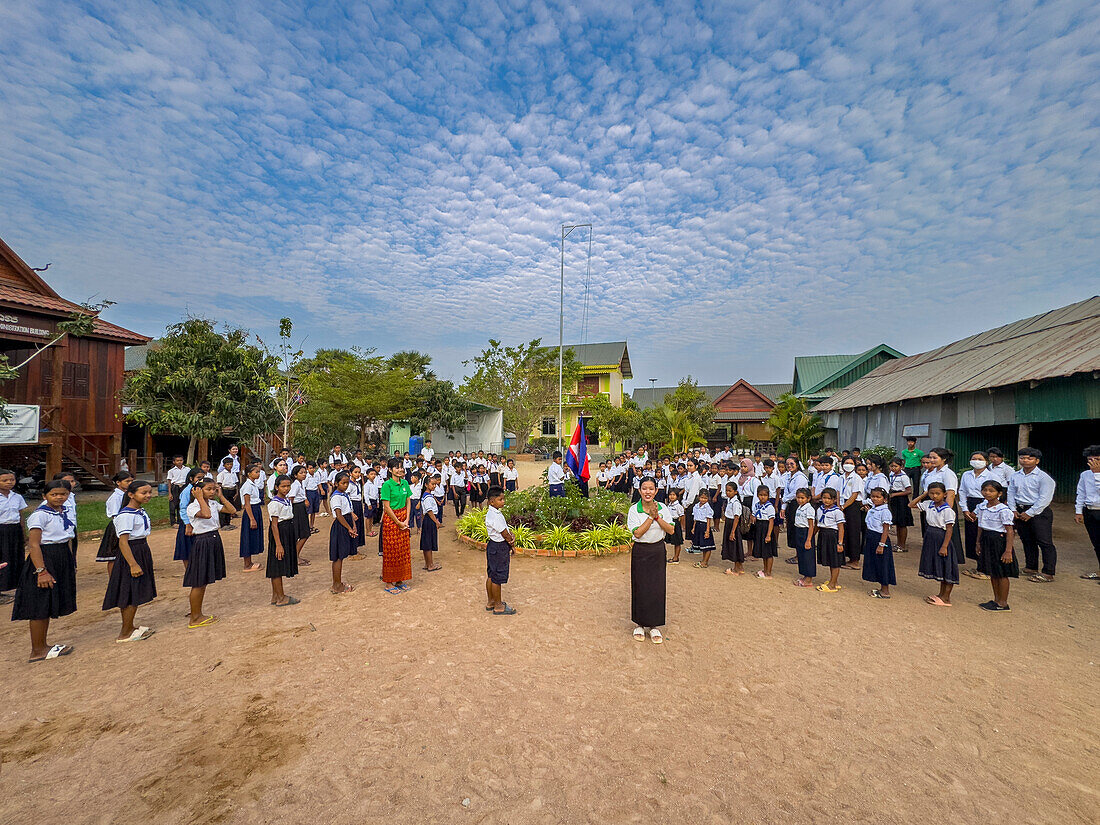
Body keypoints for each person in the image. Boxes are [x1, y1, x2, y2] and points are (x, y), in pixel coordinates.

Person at [12, 480, 78, 661]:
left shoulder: (62, 512)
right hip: (45, 558)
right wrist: (41, 571)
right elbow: (33, 544)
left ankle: (43, 645)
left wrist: (70, 562)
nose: (59, 497)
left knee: (48, 602)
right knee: (40, 603)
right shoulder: (40, 515)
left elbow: (67, 538)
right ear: (44, 496)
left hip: (60, 556)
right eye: (54, 494)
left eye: (63, 494)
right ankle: (38, 649)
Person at [101, 480, 157, 642]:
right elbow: (123, 541)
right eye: (143, 493)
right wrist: (133, 564)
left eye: (149, 492)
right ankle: (125, 632)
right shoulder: (125, 515)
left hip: (141, 549)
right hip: (131, 553)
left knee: (136, 590)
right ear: (131, 495)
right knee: (130, 591)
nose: (148, 495)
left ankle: (130, 626)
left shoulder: (139, 511)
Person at [627, 477, 674, 643]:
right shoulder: (634, 510)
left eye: (651, 488)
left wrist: (657, 517)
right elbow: (637, 533)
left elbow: (671, 530)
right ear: (639, 491)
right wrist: (650, 518)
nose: (648, 492)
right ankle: (639, 624)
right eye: (644, 488)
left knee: (657, 587)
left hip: (657, 550)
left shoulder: (663, 508)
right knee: (640, 586)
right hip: (641, 551)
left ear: (656, 491)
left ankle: (654, 625)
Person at [184, 478, 236, 628]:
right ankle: (194, 617)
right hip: (202, 541)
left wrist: (221, 496)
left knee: (204, 580)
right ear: (198, 491)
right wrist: (199, 498)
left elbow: (232, 510)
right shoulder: (193, 507)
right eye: (208, 489)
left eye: (214, 489)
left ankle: (198, 614)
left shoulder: (213, 503)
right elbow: (206, 515)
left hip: (213, 538)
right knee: (199, 581)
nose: (212, 492)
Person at [1007, 447, 1057, 582]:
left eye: (1029, 458)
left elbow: (1045, 498)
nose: (1025, 460)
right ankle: (1031, 567)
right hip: (1019, 510)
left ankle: (1048, 572)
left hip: (1038, 512)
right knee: (1027, 540)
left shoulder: (1043, 478)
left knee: (1044, 541)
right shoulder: (1015, 475)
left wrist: (1030, 513)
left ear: (1037, 461)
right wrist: (1012, 509)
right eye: (1022, 458)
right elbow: (1011, 493)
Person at [915, 482, 957, 606]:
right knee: (940, 566)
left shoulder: (947, 510)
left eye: (938, 493)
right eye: (932, 493)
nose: (934, 496)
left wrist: (944, 546)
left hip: (941, 537)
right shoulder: (929, 504)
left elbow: (949, 529)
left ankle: (946, 598)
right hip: (931, 536)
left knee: (947, 566)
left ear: (944, 494)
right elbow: (911, 504)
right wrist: (923, 495)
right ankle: (941, 594)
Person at [380, 457, 413, 592]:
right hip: (391, 521)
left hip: (403, 519)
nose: (400, 470)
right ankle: (389, 583)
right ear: (390, 470)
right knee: (391, 552)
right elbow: (386, 507)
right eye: (397, 467)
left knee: (402, 551)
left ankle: (399, 580)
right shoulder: (386, 485)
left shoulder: (405, 483)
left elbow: (408, 501)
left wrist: (406, 520)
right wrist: (398, 522)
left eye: (401, 467)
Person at [959, 451, 995, 578]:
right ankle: (979, 565)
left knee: (983, 535)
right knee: (972, 535)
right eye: (974, 458)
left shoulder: (991, 476)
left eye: (980, 459)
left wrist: (977, 511)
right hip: (970, 504)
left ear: (986, 461)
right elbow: (962, 491)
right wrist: (965, 509)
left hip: (986, 504)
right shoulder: (966, 475)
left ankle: (986, 569)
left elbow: (992, 494)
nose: (976, 461)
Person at [266, 474, 300, 606]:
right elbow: (274, 524)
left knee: (279, 564)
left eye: (288, 486)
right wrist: (279, 544)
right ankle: (281, 597)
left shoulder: (286, 500)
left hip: (287, 531)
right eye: (283, 486)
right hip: (280, 533)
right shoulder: (275, 503)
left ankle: (276, 595)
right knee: (277, 565)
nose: (286, 489)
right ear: (276, 487)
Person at [484, 486, 516, 615]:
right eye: (500, 499)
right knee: (497, 577)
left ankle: (491, 601)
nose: (503, 502)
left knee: (492, 574)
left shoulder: (492, 512)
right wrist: (512, 544)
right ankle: (498, 606)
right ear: (492, 501)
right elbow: (504, 533)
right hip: (499, 547)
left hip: (493, 545)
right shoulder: (495, 515)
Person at [95, 470, 133, 574]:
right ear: (118, 482)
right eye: (127, 481)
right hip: (117, 526)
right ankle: (112, 579)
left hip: (127, 525)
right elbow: (114, 515)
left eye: (131, 481)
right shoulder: (115, 497)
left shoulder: (129, 495)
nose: (130, 483)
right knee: (113, 555)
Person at [862, 487, 895, 599]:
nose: (875, 499)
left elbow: (885, 529)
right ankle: (881, 588)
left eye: (878, 497)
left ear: (884, 499)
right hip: (871, 537)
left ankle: (885, 591)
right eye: (873, 496)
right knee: (875, 563)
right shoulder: (873, 509)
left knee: (883, 564)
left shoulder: (885, 512)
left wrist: (881, 544)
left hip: (880, 539)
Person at [0, 468, 27, 605]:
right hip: (1, 530)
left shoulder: (17, 497)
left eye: (12, 480)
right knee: (2, 558)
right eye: (5, 480)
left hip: (15, 529)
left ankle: (16, 585)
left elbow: (21, 515)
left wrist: (24, 533)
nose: (9, 482)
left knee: (16, 556)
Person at [328, 472, 357, 594]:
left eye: (347, 483)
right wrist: (348, 528)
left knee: (342, 555)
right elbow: (339, 515)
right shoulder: (336, 497)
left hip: (347, 523)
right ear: (336, 484)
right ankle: (336, 585)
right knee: (338, 557)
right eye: (343, 483)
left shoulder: (344, 494)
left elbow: (349, 511)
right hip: (341, 526)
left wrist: (353, 525)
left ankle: (338, 583)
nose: (345, 485)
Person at [173, 467, 206, 572]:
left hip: (196, 521)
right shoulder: (187, 490)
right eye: (198, 478)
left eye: (203, 478)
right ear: (191, 478)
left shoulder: (198, 489)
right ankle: (189, 570)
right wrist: (187, 524)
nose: (201, 480)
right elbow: (183, 508)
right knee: (186, 547)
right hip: (188, 522)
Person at [1076, 445, 1100, 580]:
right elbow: (1081, 493)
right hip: (1090, 511)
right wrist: (1078, 511)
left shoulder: (1095, 473)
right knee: (1097, 543)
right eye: (1090, 460)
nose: (1093, 463)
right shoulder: (1085, 475)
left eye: (1097, 459)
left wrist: (1097, 474)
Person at [814, 488, 845, 593]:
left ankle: (832, 584)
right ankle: (833, 581)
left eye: (829, 498)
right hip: (823, 534)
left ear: (834, 500)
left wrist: (840, 542)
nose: (826, 500)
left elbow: (841, 528)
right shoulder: (820, 509)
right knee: (829, 559)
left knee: (835, 560)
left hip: (833, 535)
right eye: (824, 498)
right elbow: (818, 525)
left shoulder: (837, 512)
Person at [782, 457, 809, 565]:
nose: (789, 465)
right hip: (790, 504)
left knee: (799, 530)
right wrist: (783, 507)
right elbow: (786, 492)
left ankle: (800, 556)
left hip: (799, 504)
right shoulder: (788, 476)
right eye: (787, 464)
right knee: (792, 530)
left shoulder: (800, 477)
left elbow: (796, 493)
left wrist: (784, 499)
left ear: (797, 465)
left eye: (792, 463)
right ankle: (798, 554)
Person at [839, 457, 864, 570]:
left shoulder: (856, 478)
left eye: (851, 463)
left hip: (853, 505)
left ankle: (855, 560)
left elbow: (854, 495)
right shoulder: (841, 477)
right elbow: (838, 492)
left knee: (853, 531)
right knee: (844, 531)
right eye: (846, 463)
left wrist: (844, 507)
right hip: (842, 504)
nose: (848, 465)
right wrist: (839, 506)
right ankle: (846, 557)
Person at [239, 463, 264, 572]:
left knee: (253, 536)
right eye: (256, 472)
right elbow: (247, 503)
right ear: (249, 474)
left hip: (256, 510)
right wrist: (252, 519)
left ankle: (249, 562)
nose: (258, 474)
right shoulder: (247, 486)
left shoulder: (253, 484)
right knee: (247, 537)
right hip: (251, 511)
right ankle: (247, 564)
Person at [886, 457, 913, 553]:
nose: (893, 468)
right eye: (892, 466)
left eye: (896, 466)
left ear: (901, 467)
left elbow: (909, 490)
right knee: (896, 523)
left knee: (902, 523)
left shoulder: (903, 477)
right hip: (893, 499)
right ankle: (898, 544)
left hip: (901, 500)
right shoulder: (891, 475)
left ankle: (902, 545)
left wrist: (895, 494)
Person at [750, 485, 777, 579]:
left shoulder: (769, 507)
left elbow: (771, 521)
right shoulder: (757, 505)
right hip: (759, 527)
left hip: (766, 528)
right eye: (761, 495)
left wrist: (768, 535)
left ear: (768, 496)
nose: (763, 497)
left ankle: (768, 572)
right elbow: (753, 515)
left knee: (768, 552)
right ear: (757, 495)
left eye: (765, 495)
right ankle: (765, 570)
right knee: (763, 551)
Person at [791, 488, 816, 588]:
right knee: (801, 555)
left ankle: (809, 579)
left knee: (808, 556)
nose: (800, 500)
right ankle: (805, 576)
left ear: (808, 498)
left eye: (802, 498)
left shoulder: (809, 509)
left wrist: (809, 539)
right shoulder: (800, 507)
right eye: (798, 498)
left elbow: (811, 526)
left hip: (806, 532)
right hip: (799, 531)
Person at [289, 465, 313, 563]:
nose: (304, 475)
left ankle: (296, 555)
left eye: (305, 472)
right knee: (304, 533)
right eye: (301, 473)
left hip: (301, 508)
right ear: (295, 475)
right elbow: (291, 498)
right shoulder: (295, 485)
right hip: (297, 509)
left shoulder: (301, 483)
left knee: (302, 533)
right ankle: (295, 556)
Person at [720, 481, 744, 575]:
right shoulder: (729, 501)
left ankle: (736, 569)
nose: (727, 493)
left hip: (733, 525)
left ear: (735, 492)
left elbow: (736, 517)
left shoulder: (736, 503)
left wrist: (733, 531)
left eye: (730, 491)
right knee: (734, 545)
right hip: (729, 524)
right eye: (726, 491)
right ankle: (739, 567)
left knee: (735, 546)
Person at [420, 475, 442, 572]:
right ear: (426, 485)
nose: (434, 486)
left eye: (435, 484)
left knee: (426, 543)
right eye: (432, 484)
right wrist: (436, 522)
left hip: (427, 520)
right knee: (429, 543)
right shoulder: (428, 497)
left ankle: (427, 563)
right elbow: (429, 511)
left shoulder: (426, 495)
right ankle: (430, 565)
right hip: (430, 520)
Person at [690, 489, 715, 568]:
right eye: (702, 497)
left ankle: (705, 562)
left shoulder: (707, 507)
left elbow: (708, 519)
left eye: (705, 498)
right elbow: (695, 518)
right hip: (698, 525)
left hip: (704, 526)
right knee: (702, 545)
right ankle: (703, 560)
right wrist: (693, 527)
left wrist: (707, 531)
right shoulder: (696, 506)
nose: (703, 500)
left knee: (707, 545)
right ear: (698, 497)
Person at [166, 455, 190, 526]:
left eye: (181, 460)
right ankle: (173, 522)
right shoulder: (171, 471)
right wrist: (170, 493)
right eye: (177, 460)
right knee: (173, 505)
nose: (179, 462)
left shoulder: (187, 469)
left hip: (184, 487)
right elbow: (169, 482)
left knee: (182, 504)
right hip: (175, 487)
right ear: (174, 462)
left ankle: (181, 521)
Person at [664, 488, 685, 564]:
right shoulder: (669, 505)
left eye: (674, 495)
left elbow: (682, 516)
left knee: (677, 542)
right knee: (667, 540)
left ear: (677, 496)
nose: (672, 497)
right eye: (670, 495)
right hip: (668, 523)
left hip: (676, 523)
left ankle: (676, 557)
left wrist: (682, 527)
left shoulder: (678, 506)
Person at [217, 458, 239, 530]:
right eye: (228, 464)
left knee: (230, 507)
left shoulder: (233, 473)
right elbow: (219, 484)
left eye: (231, 464)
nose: (229, 466)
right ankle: (223, 524)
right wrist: (220, 494)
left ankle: (228, 523)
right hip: (224, 491)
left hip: (232, 491)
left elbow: (236, 483)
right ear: (224, 465)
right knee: (224, 507)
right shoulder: (221, 474)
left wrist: (236, 492)